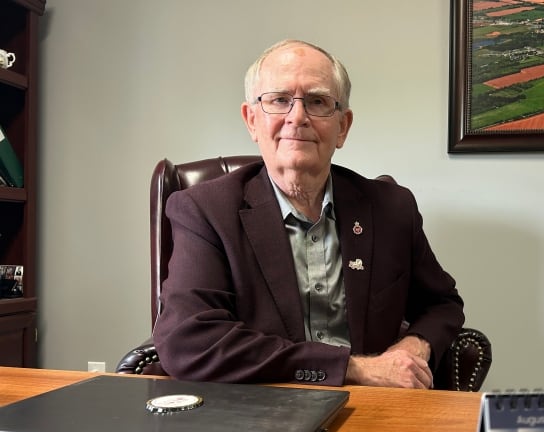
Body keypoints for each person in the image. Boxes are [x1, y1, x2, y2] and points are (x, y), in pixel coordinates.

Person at [153, 39, 464, 389]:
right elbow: (188, 340)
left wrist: (413, 348)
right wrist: (354, 369)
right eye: (279, 100)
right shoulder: (205, 211)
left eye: (317, 101)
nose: (297, 117)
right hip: (258, 407)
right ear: (251, 120)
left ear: (342, 126)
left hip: (374, 409)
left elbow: (442, 304)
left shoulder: (392, 208)